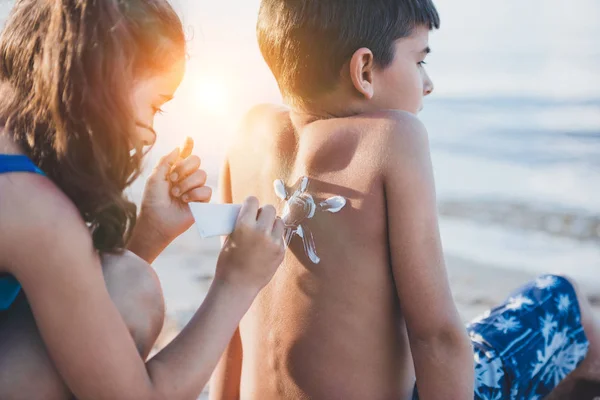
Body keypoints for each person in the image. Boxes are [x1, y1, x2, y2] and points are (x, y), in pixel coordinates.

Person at [211, 0, 600, 399]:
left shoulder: (247, 137)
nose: (428, 83)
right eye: (418, 61)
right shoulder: (392, 138)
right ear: (364, 71)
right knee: (563, 301)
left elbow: (229, 321)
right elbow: (437, 337)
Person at [0, 1, 285, 399]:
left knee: (121, 276)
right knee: (132, 290)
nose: (149, 134)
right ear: (107, 76)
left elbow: (77, 305)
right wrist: (237, 282)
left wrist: (148, 232)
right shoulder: (37, 212)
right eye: (154, 106)